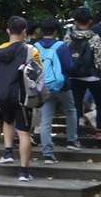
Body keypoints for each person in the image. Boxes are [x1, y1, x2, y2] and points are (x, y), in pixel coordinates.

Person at [0, 15, 42, 180]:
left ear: (8, 31)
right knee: (25, 132)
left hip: (2, 94)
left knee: (7, 121)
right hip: (21, 95)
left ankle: (7, 153)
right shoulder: (30, 50)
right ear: (25, 32)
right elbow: (38, 72)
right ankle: (24, 172)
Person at [34, 17, 81, 161]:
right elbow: (69, 67)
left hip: (43, 87)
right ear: (55, 31)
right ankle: (72, 140)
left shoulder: (35, 46)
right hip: (62, 86)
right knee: (71, 110)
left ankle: (47, 153)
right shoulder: (62, 46)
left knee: (46, 120)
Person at [64, 6, 101, 140]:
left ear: (75, 21)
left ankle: (75, 135)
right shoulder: (94, 38)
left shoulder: (69, 37)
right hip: (92, 75)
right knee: (100, 103)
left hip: (74, 75)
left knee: (76, 105)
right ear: (90, 21)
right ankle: (99, 131)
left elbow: (64, 55)